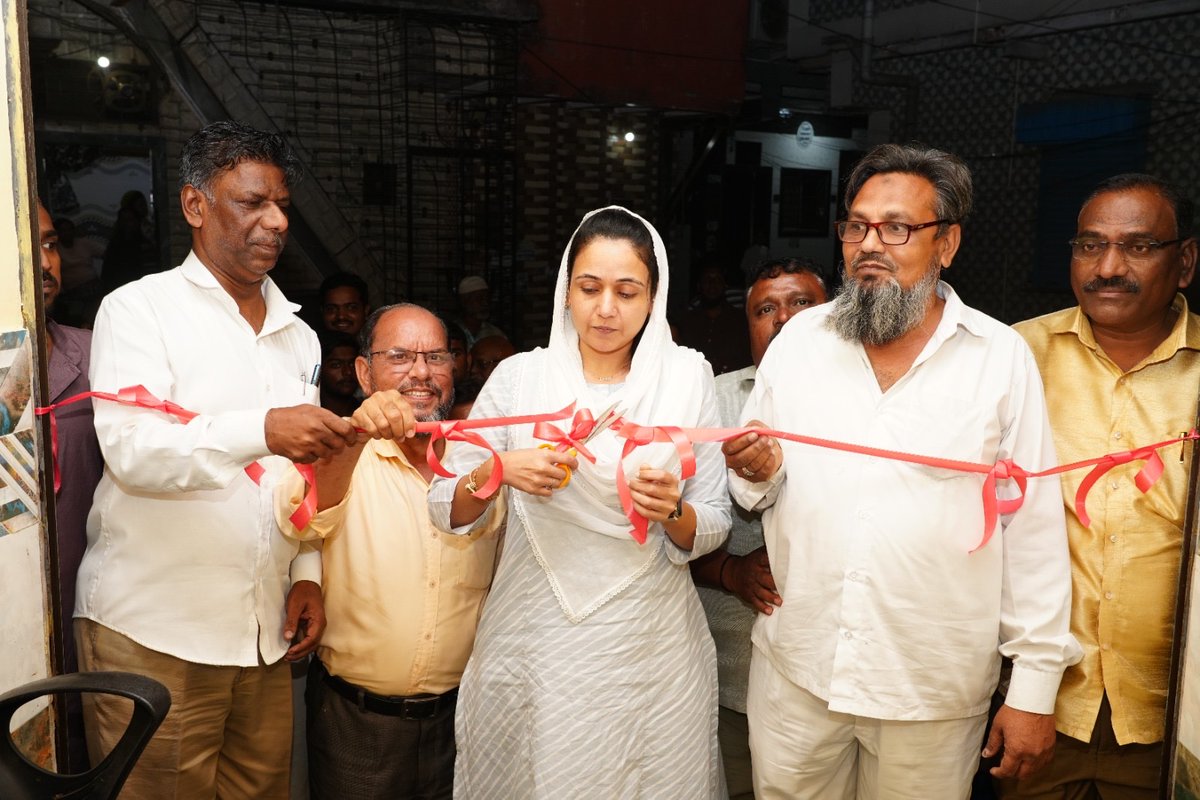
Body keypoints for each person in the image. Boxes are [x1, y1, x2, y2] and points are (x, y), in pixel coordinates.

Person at [722, 143, 1081, 799]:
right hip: (800, 672)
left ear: (947, 243)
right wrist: (754, 470)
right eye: (856, 226)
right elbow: (758, 486)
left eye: (897, 228)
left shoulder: (998, 358)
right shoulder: (801, 342)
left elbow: (1032, 532)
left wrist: (1033, 689)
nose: (869, 245)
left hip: (930, 688)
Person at [76, 120, 359, 799]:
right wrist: (261, 428)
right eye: (252, 202)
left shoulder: (296, 335)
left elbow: (301, 477)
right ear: (195, 206)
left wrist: (309, 571)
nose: (276, 221)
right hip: (155, 631)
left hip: (261, 634)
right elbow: (134, 452)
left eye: (282, 204)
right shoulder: (139, 312)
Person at [428, 206, 731, 798]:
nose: (606, 309)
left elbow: (715, 520)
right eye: (590, 288)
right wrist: (497, 471)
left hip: (648, 647)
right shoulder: (521, 378)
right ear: (567, 292)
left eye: (627, 291)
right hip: (535, 641)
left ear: (654, 299)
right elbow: (445, 505)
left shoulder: (688, 377)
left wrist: (671, 509)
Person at [1000, 174, 1200, 798]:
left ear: (1185, 261)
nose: (1108, 267)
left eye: (1139, 247)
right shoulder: (1012, 357)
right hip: (1032, 713)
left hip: (1172, 719)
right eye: (1089, 245)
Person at [278, 303, 503, 799]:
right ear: (364, 372)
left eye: (436, 357)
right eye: (399, 356)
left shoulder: (486, 463)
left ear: (455, 369)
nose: (421, 373)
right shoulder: (341, 452)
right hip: (356, 724)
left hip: (464, 723)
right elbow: (303, 519)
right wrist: (355, 434)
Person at [689, 255, 829, 799]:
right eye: (764, 309)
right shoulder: (714, 401)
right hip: (732, 671)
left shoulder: (874, 407)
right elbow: (662, 525)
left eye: (802, 303)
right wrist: (730, 571)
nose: (784, 319)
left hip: (831, 680)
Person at [38, 200, 103, 772]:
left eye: (51, 244)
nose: (44, 261)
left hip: (88, 612)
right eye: (28, 246)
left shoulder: (96, 355)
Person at [677, 263, 752, 375]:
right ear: (699, 286)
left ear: (724, 285)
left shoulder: (740, 321)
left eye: (717, 279)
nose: (712, 284)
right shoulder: (687, 322)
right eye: (707, 279)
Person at [318, 331, 361, 417]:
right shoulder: (309, 415)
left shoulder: (369, 413)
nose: (348, 372)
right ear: (320, 369)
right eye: (336, 365)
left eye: (352, 364)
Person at [454, 274, 505, 347]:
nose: (485, 303)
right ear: (465, 301)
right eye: (479, 299)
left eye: (487, 298)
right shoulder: (450, 332)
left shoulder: (495, 334)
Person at [319, 271, 370, 336]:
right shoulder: (310, 345)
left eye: (351, 308)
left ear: (366, 311)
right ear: (322, 311)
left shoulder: (381, 345)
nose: (341, 316)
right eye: (331, 309)